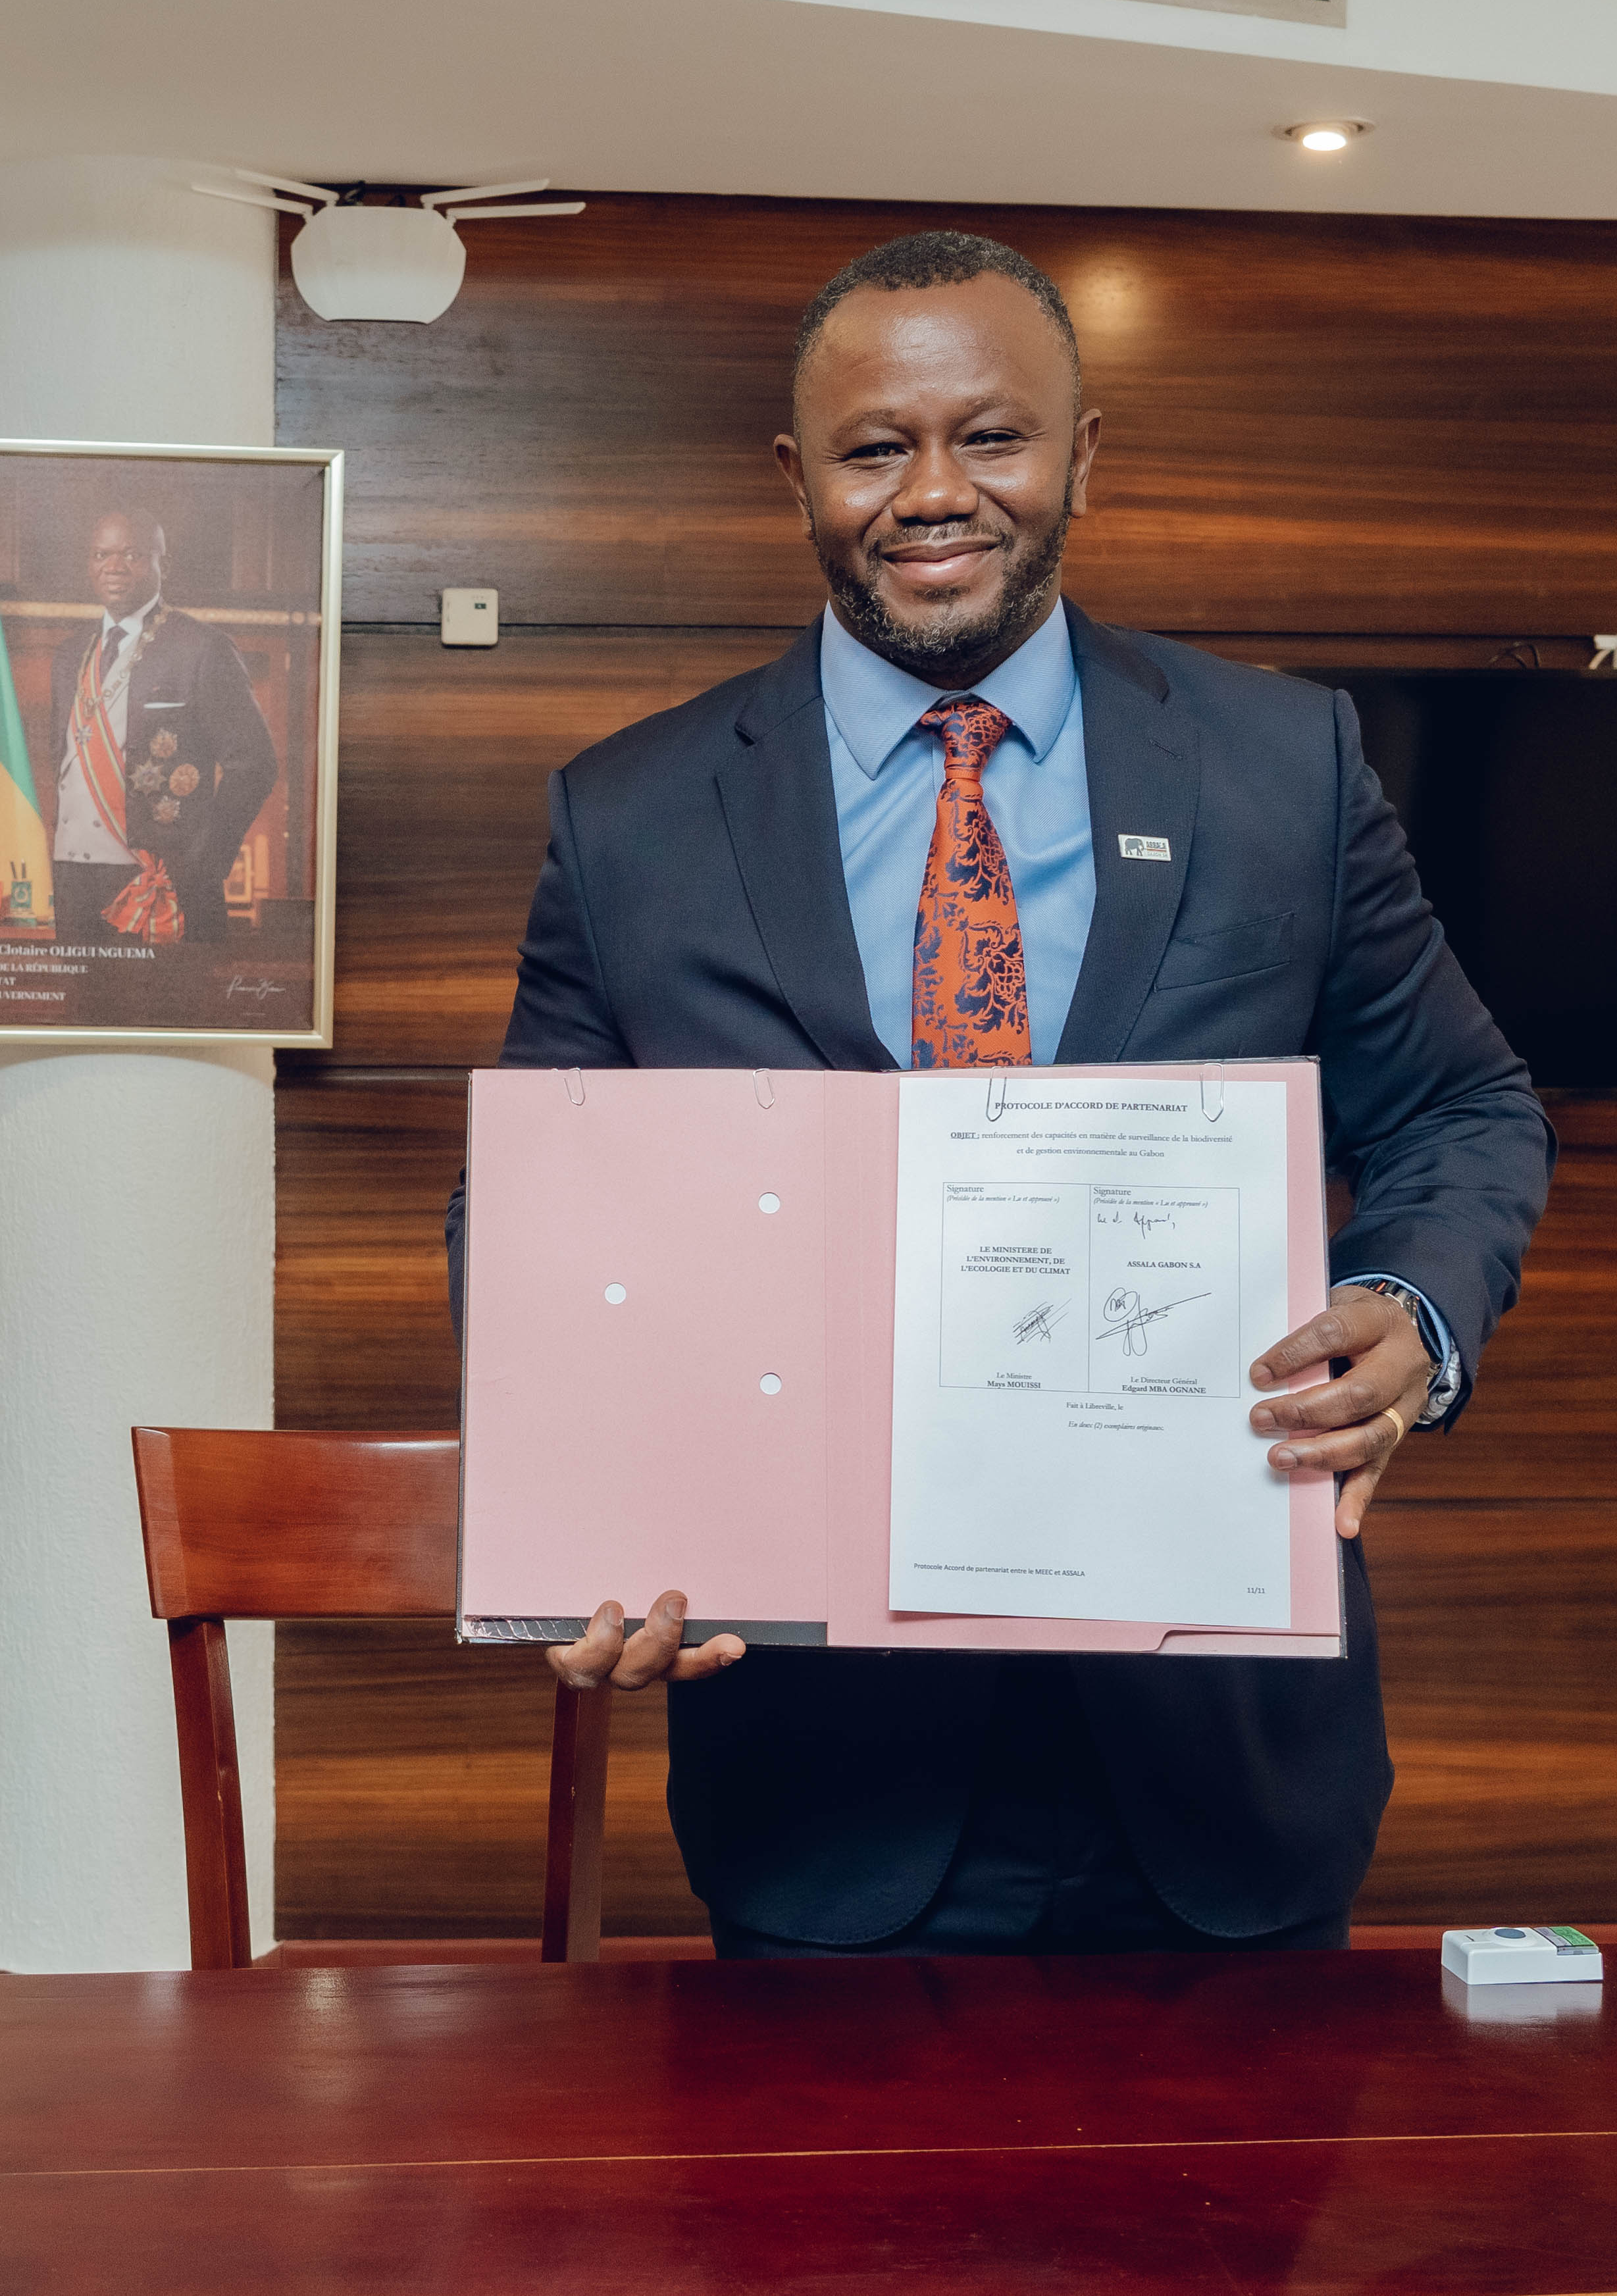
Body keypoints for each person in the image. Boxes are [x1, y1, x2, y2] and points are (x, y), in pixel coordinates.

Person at [455, 233, 1553, 1957]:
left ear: (1081, 456)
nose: (933, 492)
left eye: (991, 437)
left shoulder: (1283, 766)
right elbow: (535, 1212)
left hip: (1225, 1759)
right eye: (873, 447)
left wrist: (1410, 1309)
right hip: (828, 1783)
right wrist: (588, 1510)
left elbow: (1462, 1108)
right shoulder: (632, 816)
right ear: (796, 477)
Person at [30, 509, 274, 942]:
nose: (114, 567)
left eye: (132, 555)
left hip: (161, 880)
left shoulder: (202, 648)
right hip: (74, 881)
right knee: (81, 990)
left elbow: (255, 765)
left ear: (165, 564)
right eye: (101, 555)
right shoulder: (70, 655)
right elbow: (63, 760)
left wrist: (203, 863)